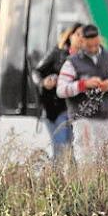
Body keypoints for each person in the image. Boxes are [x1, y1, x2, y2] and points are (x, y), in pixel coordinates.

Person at [56, 23, 108, 162]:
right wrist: (83, 85)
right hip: (84, 118)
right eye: (89, 46)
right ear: (82, 42)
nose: (93, 48)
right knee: (87, 160)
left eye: (95, 45)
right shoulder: (71, 63)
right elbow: (61, 90)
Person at [34, 23, 81, 158]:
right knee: (61, 149)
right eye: (77, 34)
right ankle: (58, 177)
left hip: (76, 112)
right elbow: (36, 72)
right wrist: (44, 82)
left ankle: (69, 178)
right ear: (70, 36)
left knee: (75, 153)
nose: (81, 38)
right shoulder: (58, 52)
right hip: (57, 110)